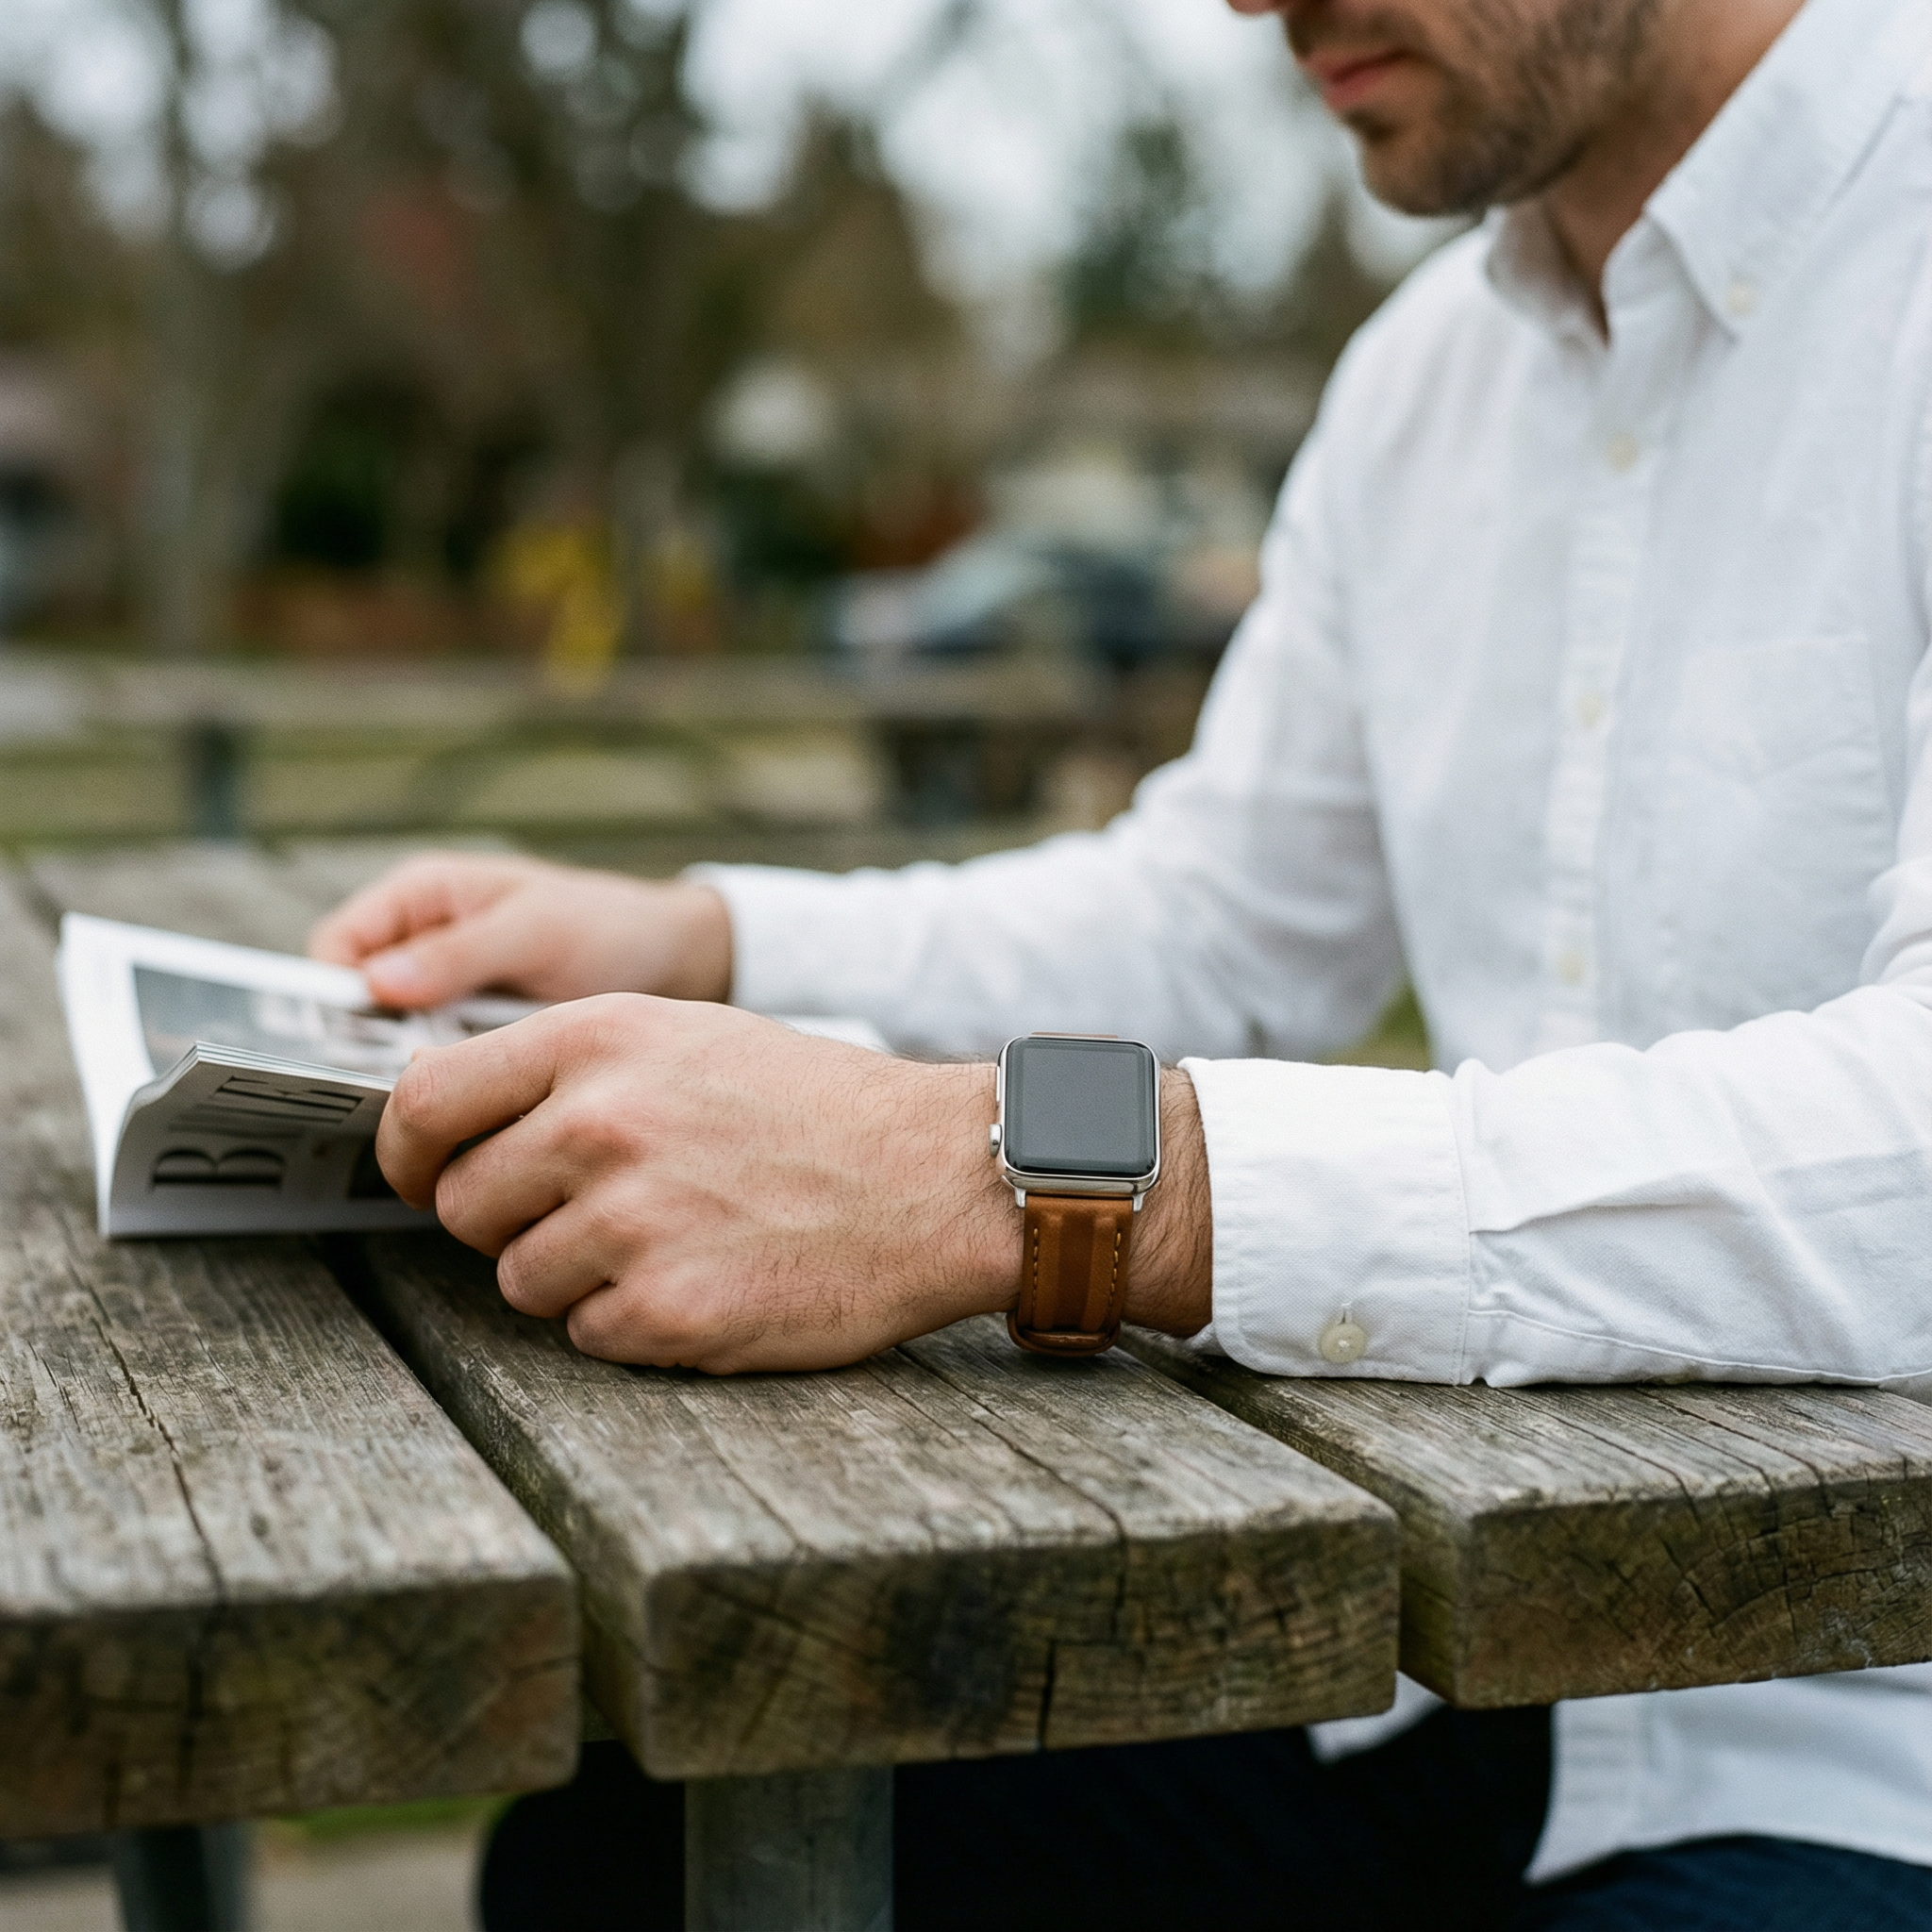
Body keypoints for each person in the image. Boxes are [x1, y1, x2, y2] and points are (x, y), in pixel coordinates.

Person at [310, 0, 1932, 1923]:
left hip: (1862, 1752)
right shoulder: (1424, 384)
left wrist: (1022, 1184)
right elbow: (1224, 921)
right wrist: (706, 937)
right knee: (618, 1855)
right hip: (1445, 1670)